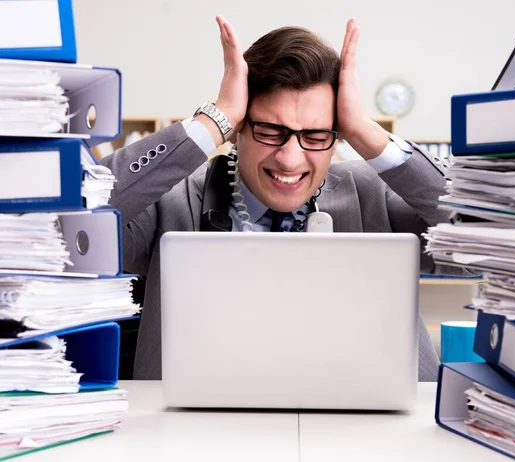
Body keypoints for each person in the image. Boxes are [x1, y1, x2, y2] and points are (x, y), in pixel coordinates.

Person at [102, 17, 452, 381]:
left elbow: (488, 234)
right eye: (270, 131)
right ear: (238, 129)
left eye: (315, 136)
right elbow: (76, 219)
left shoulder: (374, 196)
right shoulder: (169, 203)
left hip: (368, 430)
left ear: (337, 137)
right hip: (194, 430)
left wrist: (364, 130)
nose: (290, 158)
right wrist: (215, 119)